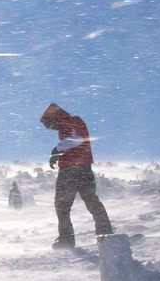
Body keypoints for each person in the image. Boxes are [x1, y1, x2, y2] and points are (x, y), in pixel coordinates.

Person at [40, 103, 112, 249]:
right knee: (91, 201)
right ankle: (107, 236)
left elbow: (78, 138)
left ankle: (67, 240)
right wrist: (58, 153)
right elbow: (75, 142)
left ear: (54, 117)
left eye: (49, 125)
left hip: (71, 171)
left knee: (62, 205)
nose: (50, 129)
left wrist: (57, 149)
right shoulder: (68, 125)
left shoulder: (73, 121)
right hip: (83, 169)